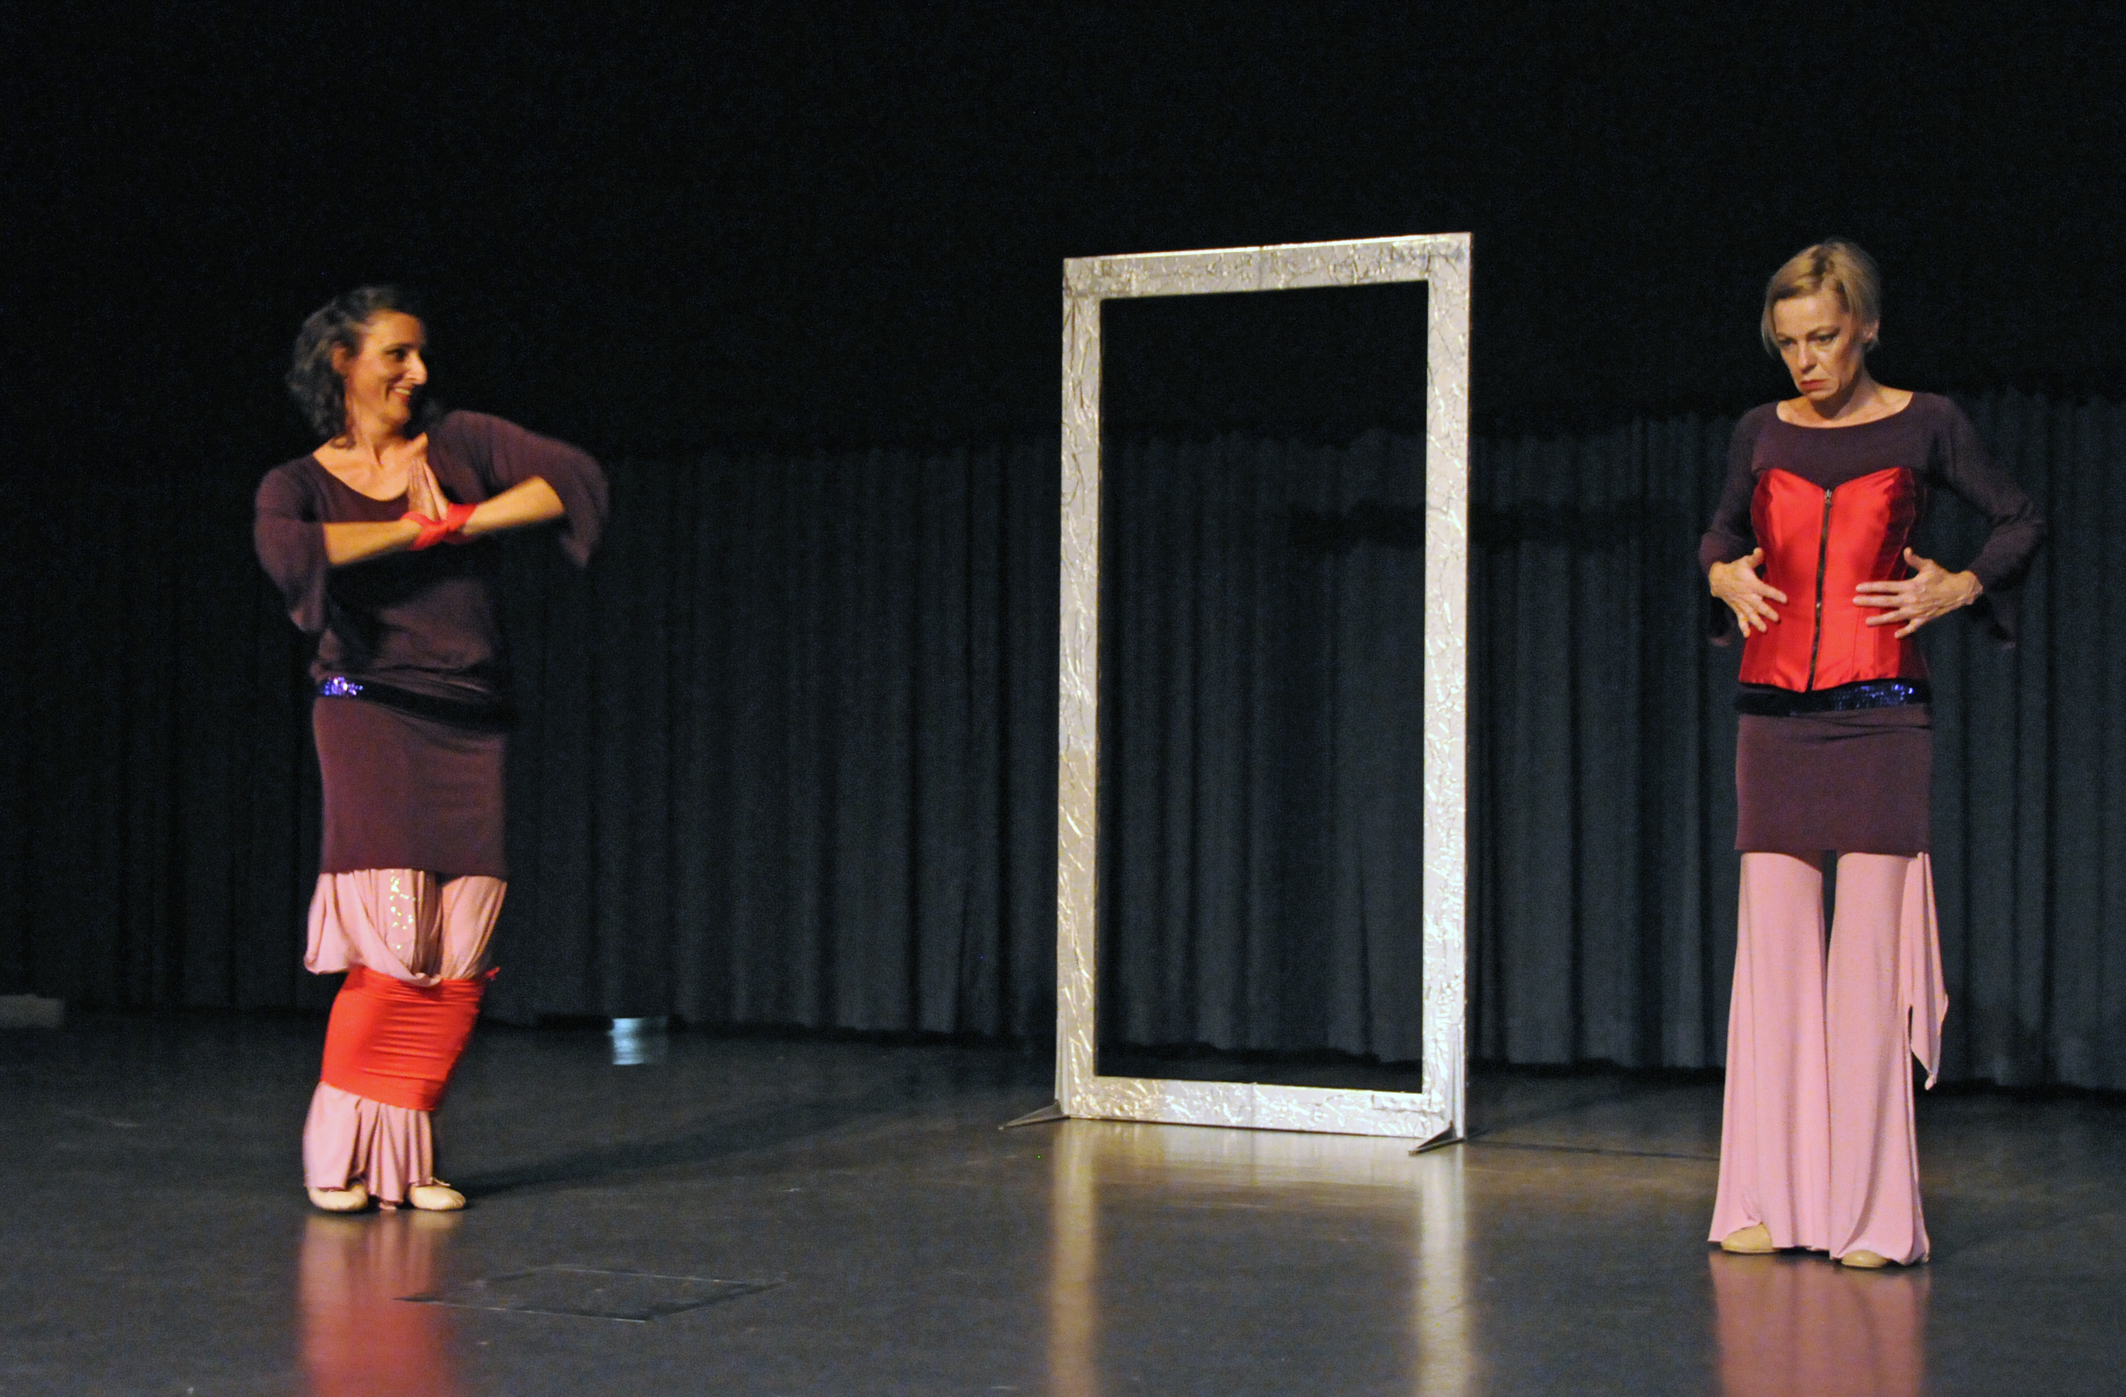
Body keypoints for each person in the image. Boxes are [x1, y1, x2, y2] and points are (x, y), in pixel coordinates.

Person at [1698, 240, 2043, 1267]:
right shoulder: (1759, 430)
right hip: (1771, 719)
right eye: (1788, 342)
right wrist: (1719, 575)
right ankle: (1765, 1199)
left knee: (1863, 970)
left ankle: (1868, 1216)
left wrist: (1960, 584)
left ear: (1867, 328)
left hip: (1883, 717)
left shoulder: (1927, 421)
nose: (1805, 359)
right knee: (1773, 963)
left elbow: (2019, 518)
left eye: (1823, 337)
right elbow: (1718, 534)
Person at [255, 286, 608, 1212]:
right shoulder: (298, 481)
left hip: (471, 720)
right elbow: (289, 550)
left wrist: (463, 517)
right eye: (396, 354)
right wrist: (409, 529)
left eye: (419, 354)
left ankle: (405, 1159)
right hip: (364, 708)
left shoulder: (461, 444)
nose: (417, 371)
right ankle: (336, 1156)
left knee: (461, 946)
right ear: (344, 362)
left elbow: (572, 479)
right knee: (398, 935)